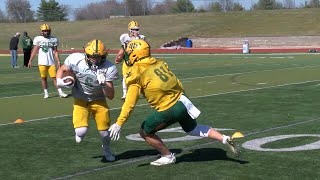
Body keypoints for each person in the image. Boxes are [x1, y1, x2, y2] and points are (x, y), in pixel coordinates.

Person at [108, 39, 243, 166]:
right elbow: (178, 83)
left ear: (135, 55)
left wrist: (119, 123)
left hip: (170, 107)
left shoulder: (137, 73)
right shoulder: (159, 63)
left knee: (145, 132)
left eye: (129, 53)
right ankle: (224, 138)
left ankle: (167, 156)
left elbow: (129, 104)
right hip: (183, 100)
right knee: (192, 129)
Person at [56, 39, 119, 162]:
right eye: (92, 56)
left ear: (104, 55)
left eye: (98, 57)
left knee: (105, 133)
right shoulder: (76, 59)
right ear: (86, 54)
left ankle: (106, 149)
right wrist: (60, 81)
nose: (95, 59)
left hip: (98, 100)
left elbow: (110, 96)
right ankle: (79, 131)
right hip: (81, 99)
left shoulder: (109, 68)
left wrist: (104, 84)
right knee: (80, 132)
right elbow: (62, 69)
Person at [28, 23, 68, 99]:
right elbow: (34, 50)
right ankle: (46, 93)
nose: (46, 32)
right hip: (42, 62)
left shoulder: (53, 39)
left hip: (51, 62)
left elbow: (55, 51)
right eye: (44, 31)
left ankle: (60, 92)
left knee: (55, 78)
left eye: (47, 31)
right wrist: (30, 60)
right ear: (41, 31)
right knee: (43, 78)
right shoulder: (38, 39)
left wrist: (58, 62)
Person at [114, 20, 145, 100]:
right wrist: (119, 56)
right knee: (125, 77)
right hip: (127, 60)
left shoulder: (141, 37)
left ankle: (143, 91)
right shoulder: (124, 37)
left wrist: (137, 38)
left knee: (140, 76)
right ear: (130, 29)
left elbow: (143, 48)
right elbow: (123, 48)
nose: (136, 31)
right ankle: (125, 94)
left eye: (137, 29)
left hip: (137, 60)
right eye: (135, 29)